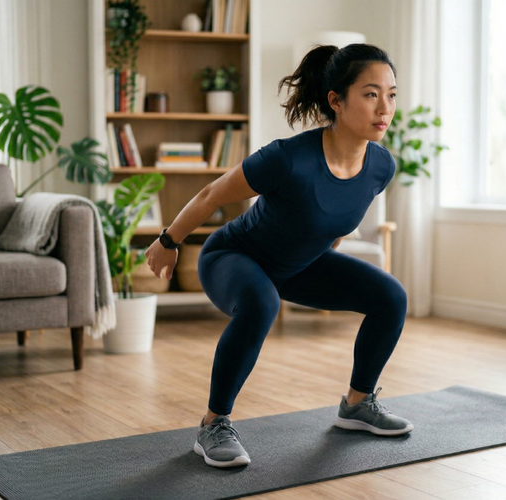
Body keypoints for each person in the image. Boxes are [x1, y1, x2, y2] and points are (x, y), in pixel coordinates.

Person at [145, 43, 412, 469]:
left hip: (298, 265)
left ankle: (357, 405)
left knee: (390, 297)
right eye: (370, 93)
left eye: (392, 94)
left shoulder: (381, 167)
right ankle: (213, 424)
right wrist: (167, 241)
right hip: (233, 256)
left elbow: (332, 221)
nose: (385, 107)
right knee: (261, 302)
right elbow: (212, 193)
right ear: (336, 101)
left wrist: (326, 255)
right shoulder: (289, 158)